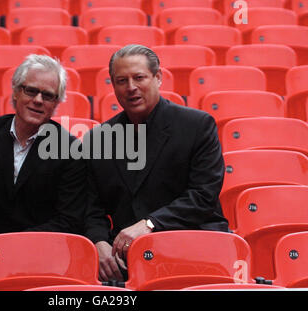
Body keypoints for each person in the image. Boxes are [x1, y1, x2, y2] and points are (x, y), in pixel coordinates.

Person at [83, 44, 230, 282]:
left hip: (195, 248)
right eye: (121, 80)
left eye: (139, 77)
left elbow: (203, 195)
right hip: (129, 259)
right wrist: (98, 241)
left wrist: (150, 223)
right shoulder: (97, 138)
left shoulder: (197, 125)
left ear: (158, 77)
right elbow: (92, 207)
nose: (131, 88)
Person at [0, 54, 86, 282]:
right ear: (16, 91)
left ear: (56, 103)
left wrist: (15, 249)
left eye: (48, 95)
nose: (38, 100)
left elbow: (69, 219)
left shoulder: (70, 149)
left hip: (44, 256)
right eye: (31, 91)